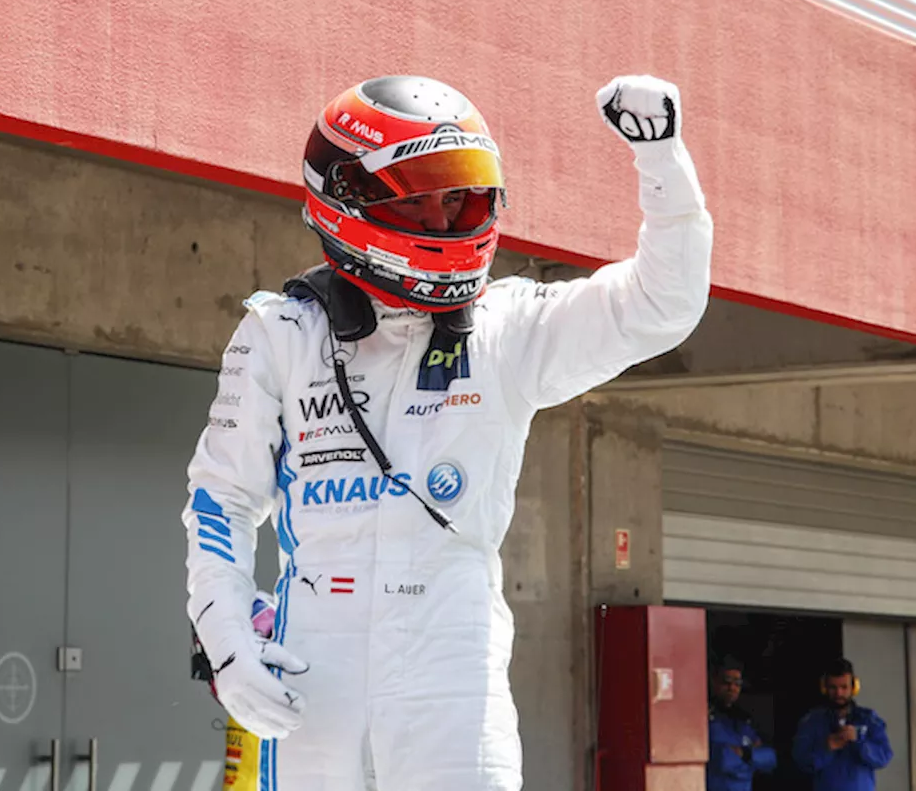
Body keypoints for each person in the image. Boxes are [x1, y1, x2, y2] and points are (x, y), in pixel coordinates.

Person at [181, 72, 713, 790]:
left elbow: (661, 305)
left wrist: (664, 163)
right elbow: (221, 500)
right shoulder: (281, 331)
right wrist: (225, 637)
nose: (446, 217)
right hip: (313, 670)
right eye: (423, 195)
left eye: (460, 195)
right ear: (350, 199)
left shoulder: (507, 330)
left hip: (453, 667)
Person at [792, 658, 893, 791]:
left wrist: (859, 742)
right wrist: (826, 748)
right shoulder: (811, 721)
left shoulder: (868, 719)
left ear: (854, 687)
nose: (839, 693)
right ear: (825, 688)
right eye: (833, 687)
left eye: (844, 687)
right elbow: (800, 761)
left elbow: (884, 756)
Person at [707, 657, 777, 791]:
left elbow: (771, 760)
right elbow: (722, 760)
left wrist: (746, 754)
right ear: (713, 681)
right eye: (726, 682)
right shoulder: (704, 718)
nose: (732, 688)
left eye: (737, 683)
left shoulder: (743, 720)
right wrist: (752, 761)